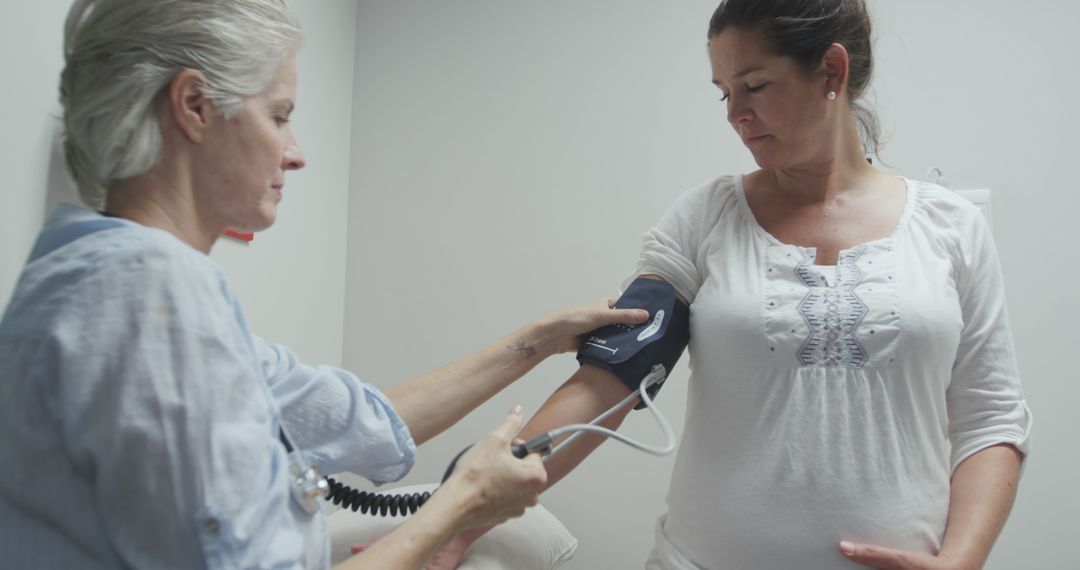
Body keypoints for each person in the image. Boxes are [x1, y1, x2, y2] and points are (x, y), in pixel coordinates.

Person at [0, 1, 649, 569]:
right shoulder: (148, 299)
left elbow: (358, 420)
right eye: (280, 115)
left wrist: (535, 341)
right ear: (195, 106)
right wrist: (462, 504)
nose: (297, 151)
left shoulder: (100, 275)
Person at [442, 1, 1033, 568]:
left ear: (830, 70)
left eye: (754, 86)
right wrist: (452, 526)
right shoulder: (705, 218)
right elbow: (609, 380)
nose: (734, 114)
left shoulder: (952, 227)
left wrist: (962, 560)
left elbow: (992, 418)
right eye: (725, 94)